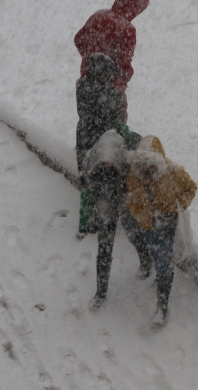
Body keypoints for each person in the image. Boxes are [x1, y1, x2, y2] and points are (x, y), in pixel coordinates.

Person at [125, 136, 197, 325]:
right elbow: (131, 197)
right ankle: (162, 275)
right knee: (156, 254)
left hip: (167, 224)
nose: (146, 168)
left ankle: (162, 306)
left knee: (164, 259)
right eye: (143, 163)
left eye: (150, 163)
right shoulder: (133, 175)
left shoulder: (173, 172)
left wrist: (177, 204)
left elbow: (191, 188)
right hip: (147, 226)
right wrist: (139, 212)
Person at [80, 130, 153, 312]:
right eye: (103, 166)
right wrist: (95, 211)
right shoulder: (92, 160)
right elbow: (85, 183)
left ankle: (145, 261)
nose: (106, 168)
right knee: (104, 246)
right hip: (106, 199)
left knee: (132, 232)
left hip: (124, 194)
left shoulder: (127, 154)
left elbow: (140, 171)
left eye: (109, 167)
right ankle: (101, 292)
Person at [75, 53, 140, 238]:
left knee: (86, 179)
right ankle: (107, 216)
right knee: (108, 177)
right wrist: (125, 131)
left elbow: (86, 112)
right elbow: (110, 118)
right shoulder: (108, 91)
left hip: (83, 135)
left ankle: (85, 223)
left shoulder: (80, 85)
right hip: (102, 141)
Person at [74, 0, 150, 123]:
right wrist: (125, 75)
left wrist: (91, 61)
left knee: (88, 123)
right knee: (116, 127)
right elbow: (123, 61)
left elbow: (78, 39)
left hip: (86, 81)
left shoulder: (98, 16)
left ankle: (85, 144)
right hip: (111, 88)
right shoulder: (127, 29)